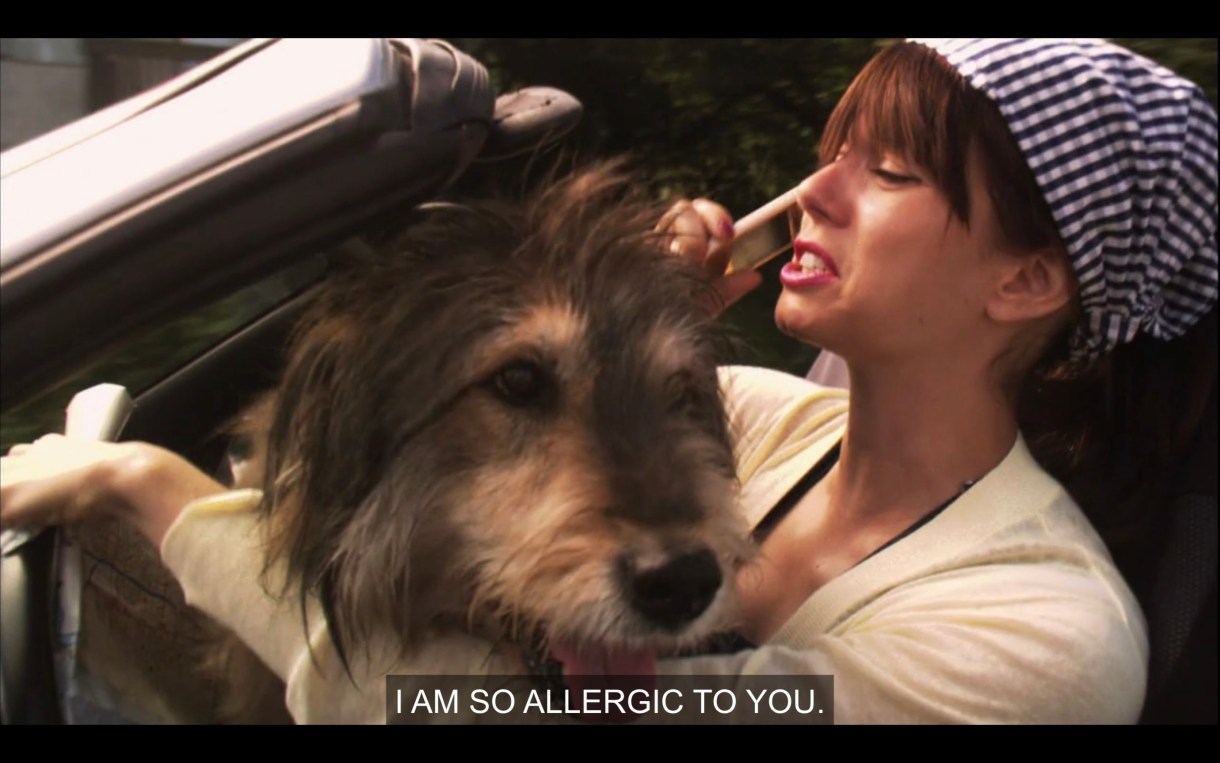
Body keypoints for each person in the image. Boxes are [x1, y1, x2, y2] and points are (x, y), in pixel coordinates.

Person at [2, 38, 1216, 724]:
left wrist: (140, 482)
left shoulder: (1039, 638)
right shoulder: (766, 418)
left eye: (886, 170)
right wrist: (628, 304)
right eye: (829, 151)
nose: (812, 193)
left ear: (1024, 282)